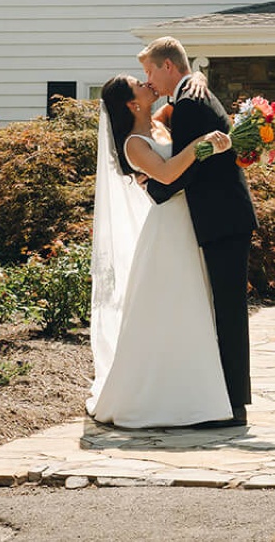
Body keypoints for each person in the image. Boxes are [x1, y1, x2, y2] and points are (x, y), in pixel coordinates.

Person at [87, 72, 235, 429]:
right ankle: (154, 398)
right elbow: (167, 174)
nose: (146, 83)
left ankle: (196, 395)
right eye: (139, 83)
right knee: (169, 306)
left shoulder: (160, 124)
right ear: (130, 102)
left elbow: (187, 81)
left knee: (192, 305)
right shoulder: (134, 143)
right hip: (166, 227)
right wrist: (203, 145)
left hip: (188, 220)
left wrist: (197, 76)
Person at [137, 36, 257, 427]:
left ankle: (233, 407)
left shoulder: (189, 100)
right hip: (225, 216)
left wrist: (152, 187)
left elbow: (193, 164)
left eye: (150, 71)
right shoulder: (189, 93)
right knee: (223, 309)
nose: (149, 81)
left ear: (168, 66)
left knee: (228, 312)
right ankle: (225, 399)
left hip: (223, 218)